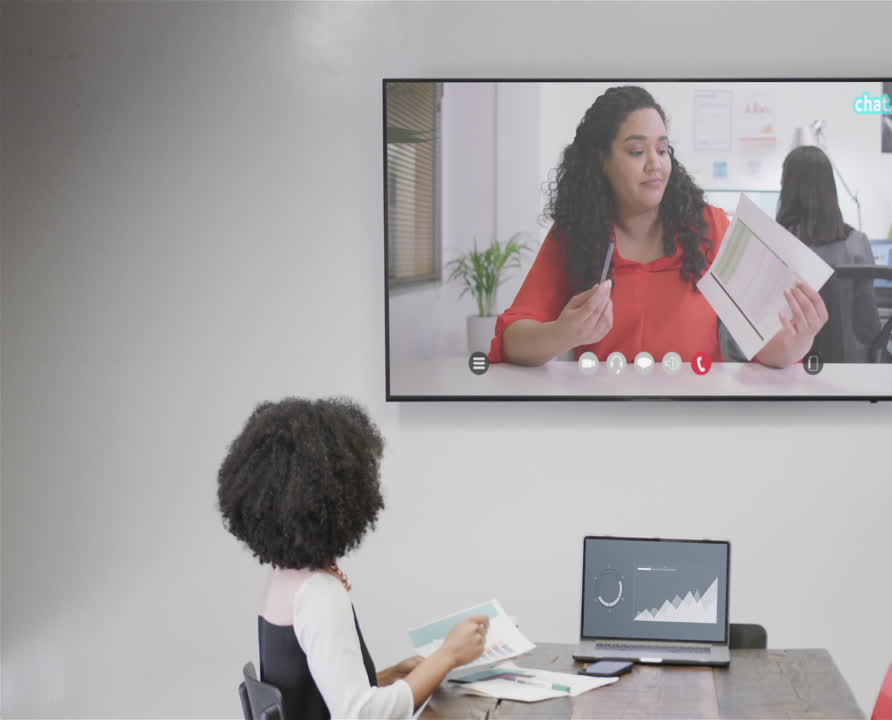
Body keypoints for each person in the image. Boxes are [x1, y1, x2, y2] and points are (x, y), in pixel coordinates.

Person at [490, 85, 827, 369]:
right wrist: (562, 333)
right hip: (607, 414)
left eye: (663, 150)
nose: (655, 164)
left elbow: (770, 351)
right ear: (601, 161)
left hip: (695, 413)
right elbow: (511, 339)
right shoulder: (574, 235)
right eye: (637, 151)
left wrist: (800, 337)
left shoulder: (709, 227)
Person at [217, 397, 489, 718]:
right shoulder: (319, 593)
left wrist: (386, 677)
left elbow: (309, 695)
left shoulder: (283, 580)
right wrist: (449, 655)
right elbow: (360, 714)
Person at [773, 145, 882, 363]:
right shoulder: (857, 243)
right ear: (829, 188)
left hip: (788, 364)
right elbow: (868, 322)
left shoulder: (773, 242)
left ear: (786, 186)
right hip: (849, 367)